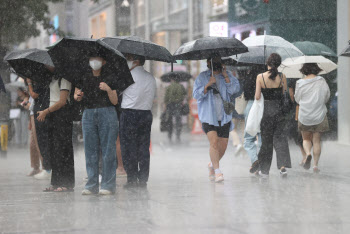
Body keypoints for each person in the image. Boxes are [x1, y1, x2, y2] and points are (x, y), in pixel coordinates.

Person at [75, 55, 119, 195]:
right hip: (88, 113)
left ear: (104, 61)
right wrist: (78, 96)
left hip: (107, 112)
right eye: (92, 58)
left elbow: (115, 101)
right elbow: (76, 96)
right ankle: (91, 185)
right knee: (90, 150)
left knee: (108, 150)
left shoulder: (110, 76)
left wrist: (108, 89)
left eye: (98, 58)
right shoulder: (83, 76)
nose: (94, 61)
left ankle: (108, 185)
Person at [193, 57, 240, 183]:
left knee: (223, 146)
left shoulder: (228, 75)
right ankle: (218, 172)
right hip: (209, 116)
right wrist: (207, 85)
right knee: (213, 142)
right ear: (208, 63)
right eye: (212, 61)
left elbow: (235, 90)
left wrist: (226, 77)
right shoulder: (202, 77)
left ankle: (212, 164)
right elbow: (196, 95)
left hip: (224, 116)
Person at [120, 54, 156, 188]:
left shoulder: (127, 76)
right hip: (146, 114)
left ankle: (131, 178)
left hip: (129, 114)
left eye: (129, 59)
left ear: (136, 61)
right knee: (143, 147)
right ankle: (143, 178)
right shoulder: (151, 78)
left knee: (129, 147)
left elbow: (116, 92)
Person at [37, 65, 75, 192]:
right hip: (52, 115)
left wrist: (45, 111)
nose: (47, 66)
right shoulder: (52, 79)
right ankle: (56, 182)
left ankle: (67, 182)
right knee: (54, 148)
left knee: (63, 148)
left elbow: (62, 101)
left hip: (62, 115)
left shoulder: (65, 79)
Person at [254, 53, 291, 178]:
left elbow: (257, 96)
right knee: (280, 139)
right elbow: (285, 95)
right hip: (279, 111)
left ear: (268, 63)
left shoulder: (260, 77)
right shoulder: (282, 77)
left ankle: (264, 171)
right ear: (279, 64)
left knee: (267, 142)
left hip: (266, 112)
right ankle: (282, 167)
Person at [295, 63, 330, 173]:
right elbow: (327, 95)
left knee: (306, 139)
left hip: (305, 115)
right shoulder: (321, 81)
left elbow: (297, 99)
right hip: (319, 114)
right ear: (317, 69)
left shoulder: (300, 83)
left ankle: (308, 154)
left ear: (304, 70)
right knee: (317, 141)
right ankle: (315, 165)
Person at [27, 78, 52, 180]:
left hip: (40, 113)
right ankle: (39, 167)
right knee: (36, 143)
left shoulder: (41, 79)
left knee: (40, 142)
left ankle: (46, 167)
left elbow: (34, 95)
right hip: (35, 113)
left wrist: (29, 83)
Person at [242, 65, 265, 174]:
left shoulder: (249, 76)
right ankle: (260, 164)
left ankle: (255, 161)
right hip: (264, 106)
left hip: (251, 106)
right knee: (261, 138)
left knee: (248, 139)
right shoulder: (266, 78)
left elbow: (246, 93)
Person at [287, 78, 307, 166]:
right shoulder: (307, 78)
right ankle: (307, 154)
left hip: (298, 110)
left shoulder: (292, 80)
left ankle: (305, 155)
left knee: (298, 134)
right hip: (310, 107)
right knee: (308, 134)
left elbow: (292, 96)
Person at [164, 75, 187, 142]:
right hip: (178, 105)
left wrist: (165, 106)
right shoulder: (181, 86)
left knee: (170, 120)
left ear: (172, 79)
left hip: (170, 105)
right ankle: (178, 135)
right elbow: (184, 94)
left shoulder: (169, 87)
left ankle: (170, 135)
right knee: (178, 120)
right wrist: (181, 99)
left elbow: (166, 98)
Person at [26, 96, 43, 176]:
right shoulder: (30, 92)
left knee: (39, 143)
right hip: (33, 115)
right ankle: (35, 167)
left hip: (38, 114)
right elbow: (31, 108)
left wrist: (27, 103)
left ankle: (45, 167)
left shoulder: (35, 88)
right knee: (32, 144)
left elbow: (33, 104)